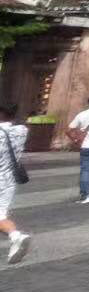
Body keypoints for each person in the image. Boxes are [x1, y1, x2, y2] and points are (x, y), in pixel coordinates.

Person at [0, 105, 31, 264]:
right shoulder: (21, 131)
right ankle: (15, 237)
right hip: (9, 180)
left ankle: (16, 236)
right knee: (1, 215)